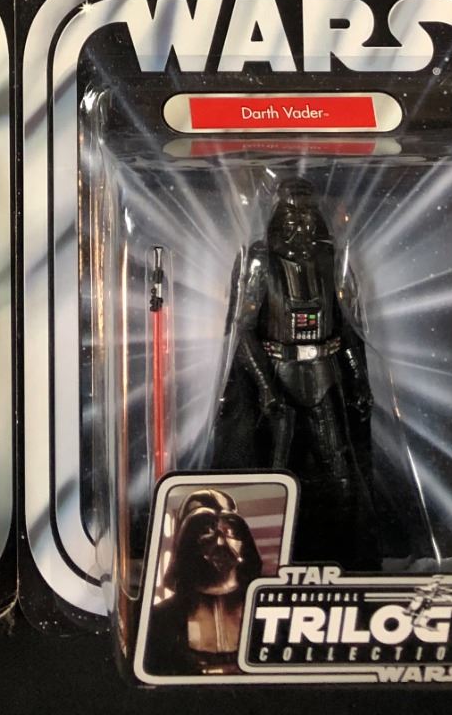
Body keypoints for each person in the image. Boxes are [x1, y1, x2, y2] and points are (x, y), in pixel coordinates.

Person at [214, 178, 377, 569]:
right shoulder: (258, 260)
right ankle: (267, 555)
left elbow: (349, 328)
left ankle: (348, 555)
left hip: (323, 373)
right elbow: (241, 331)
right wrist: (265, 387)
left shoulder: (332, 258)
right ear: (277, 216)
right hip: (278, 374)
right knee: (274, 469)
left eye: (307, 212)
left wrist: (358, 379)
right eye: (291, 213)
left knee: (340, 468)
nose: (300, 222)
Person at [142, 489, 266, 676]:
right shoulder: (160, 618)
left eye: (229, 528)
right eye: (205, 529)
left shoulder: (265, 610)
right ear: (187, 542)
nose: (220, 540)